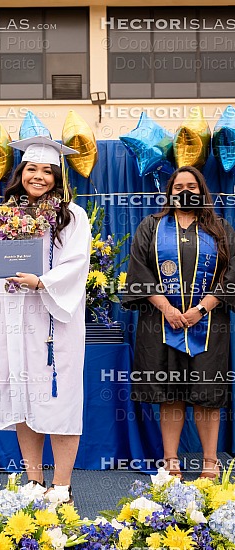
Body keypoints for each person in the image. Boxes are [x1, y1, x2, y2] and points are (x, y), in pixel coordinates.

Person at [0, 136, 91, 502]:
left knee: (59, 399)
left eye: (48, 170)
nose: (39, 176)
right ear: (21, 172)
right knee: (22, 395)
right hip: (13, 315)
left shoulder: (72, 215)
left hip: (53, 319)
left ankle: (61, 485)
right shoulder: (5, 215)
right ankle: (33, 480)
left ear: (58, 177)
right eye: (32, 168)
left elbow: (77, 264)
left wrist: (41, 281)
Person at [122, 165, 235, 480]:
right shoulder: (152, 226)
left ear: (202, 191)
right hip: (161, 324)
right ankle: (171, 461)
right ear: (169, 192)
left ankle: (210, 462)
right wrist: (167, 309)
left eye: (192, 185)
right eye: (179, 185)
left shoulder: (220, 228)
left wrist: (202, 308)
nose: (185, 191)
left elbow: (232, 274)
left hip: (210, 324)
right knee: (170, 393)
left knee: (207, 394)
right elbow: (139, 270)